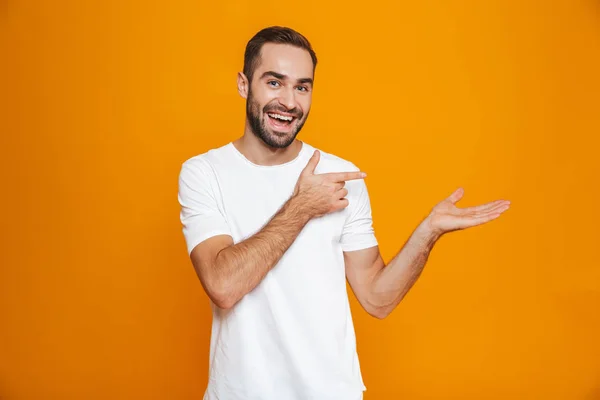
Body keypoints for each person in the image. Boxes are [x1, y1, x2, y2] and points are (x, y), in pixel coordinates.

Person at [177, 26, 510, 400]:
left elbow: (377, 299)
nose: (288, 101)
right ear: (243, 84)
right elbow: (223, 286)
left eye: (302, 87)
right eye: (274, 82)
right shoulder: (204, 172)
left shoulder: (341, 175)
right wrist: (302, 207)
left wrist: (428, 232)